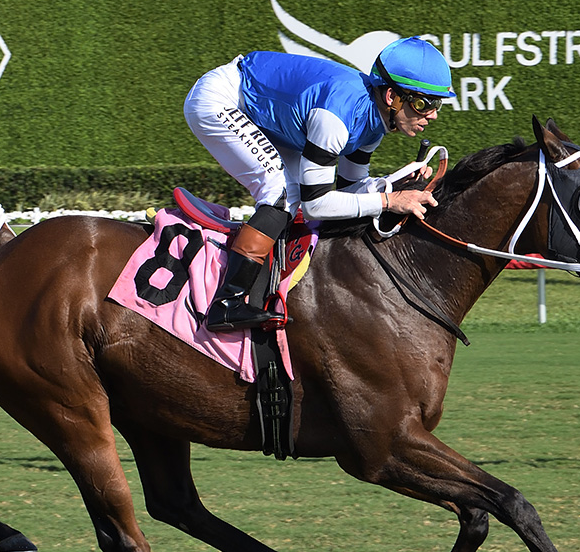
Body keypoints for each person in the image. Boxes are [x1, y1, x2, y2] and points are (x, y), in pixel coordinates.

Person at [184, 36, 454, 332]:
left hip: (266, 114)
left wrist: (391, 186)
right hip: (222, 99)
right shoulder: (336, 118)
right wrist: (389, 201)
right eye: (423, 103)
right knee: (282, 193)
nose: (432, 115)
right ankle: (226, 304)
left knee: (290, 194)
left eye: (437, 104)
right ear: (392, 97)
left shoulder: (373, 123)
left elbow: (349, 189)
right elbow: (316, 205)